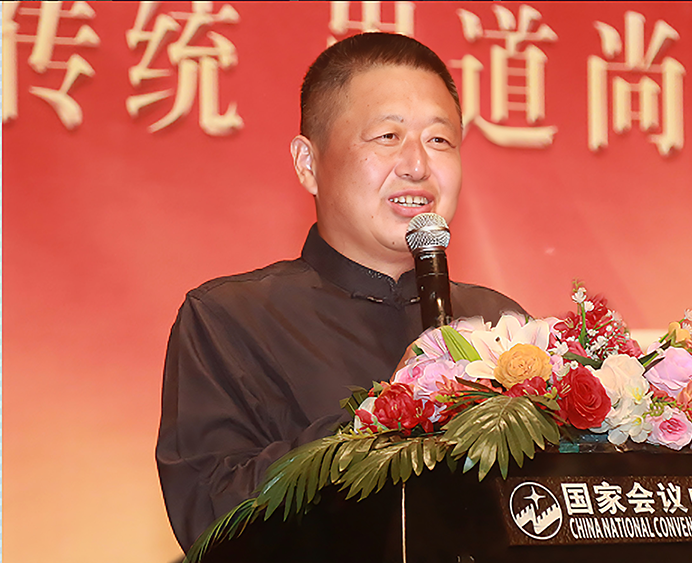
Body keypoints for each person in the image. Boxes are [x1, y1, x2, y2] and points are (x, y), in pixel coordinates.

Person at [156, 32, 525, 553]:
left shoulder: (502, 323)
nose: (418, 164)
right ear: (308, 163)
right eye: (388, 136)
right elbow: (209, 513)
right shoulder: (229, 319)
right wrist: (384, 412)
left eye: (440, 140)